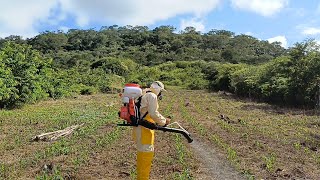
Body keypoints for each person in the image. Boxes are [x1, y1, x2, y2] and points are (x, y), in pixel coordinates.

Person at [132, 81, 170, 180]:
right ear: (158, 90)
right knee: (146, 158)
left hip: (140, 129)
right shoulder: (152, 96)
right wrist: (164, 121)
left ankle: (140, 178)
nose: (160, 94)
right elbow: (153, 113)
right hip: (145, 131)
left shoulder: (143, 94)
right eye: (161, 92)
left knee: (142, 157)